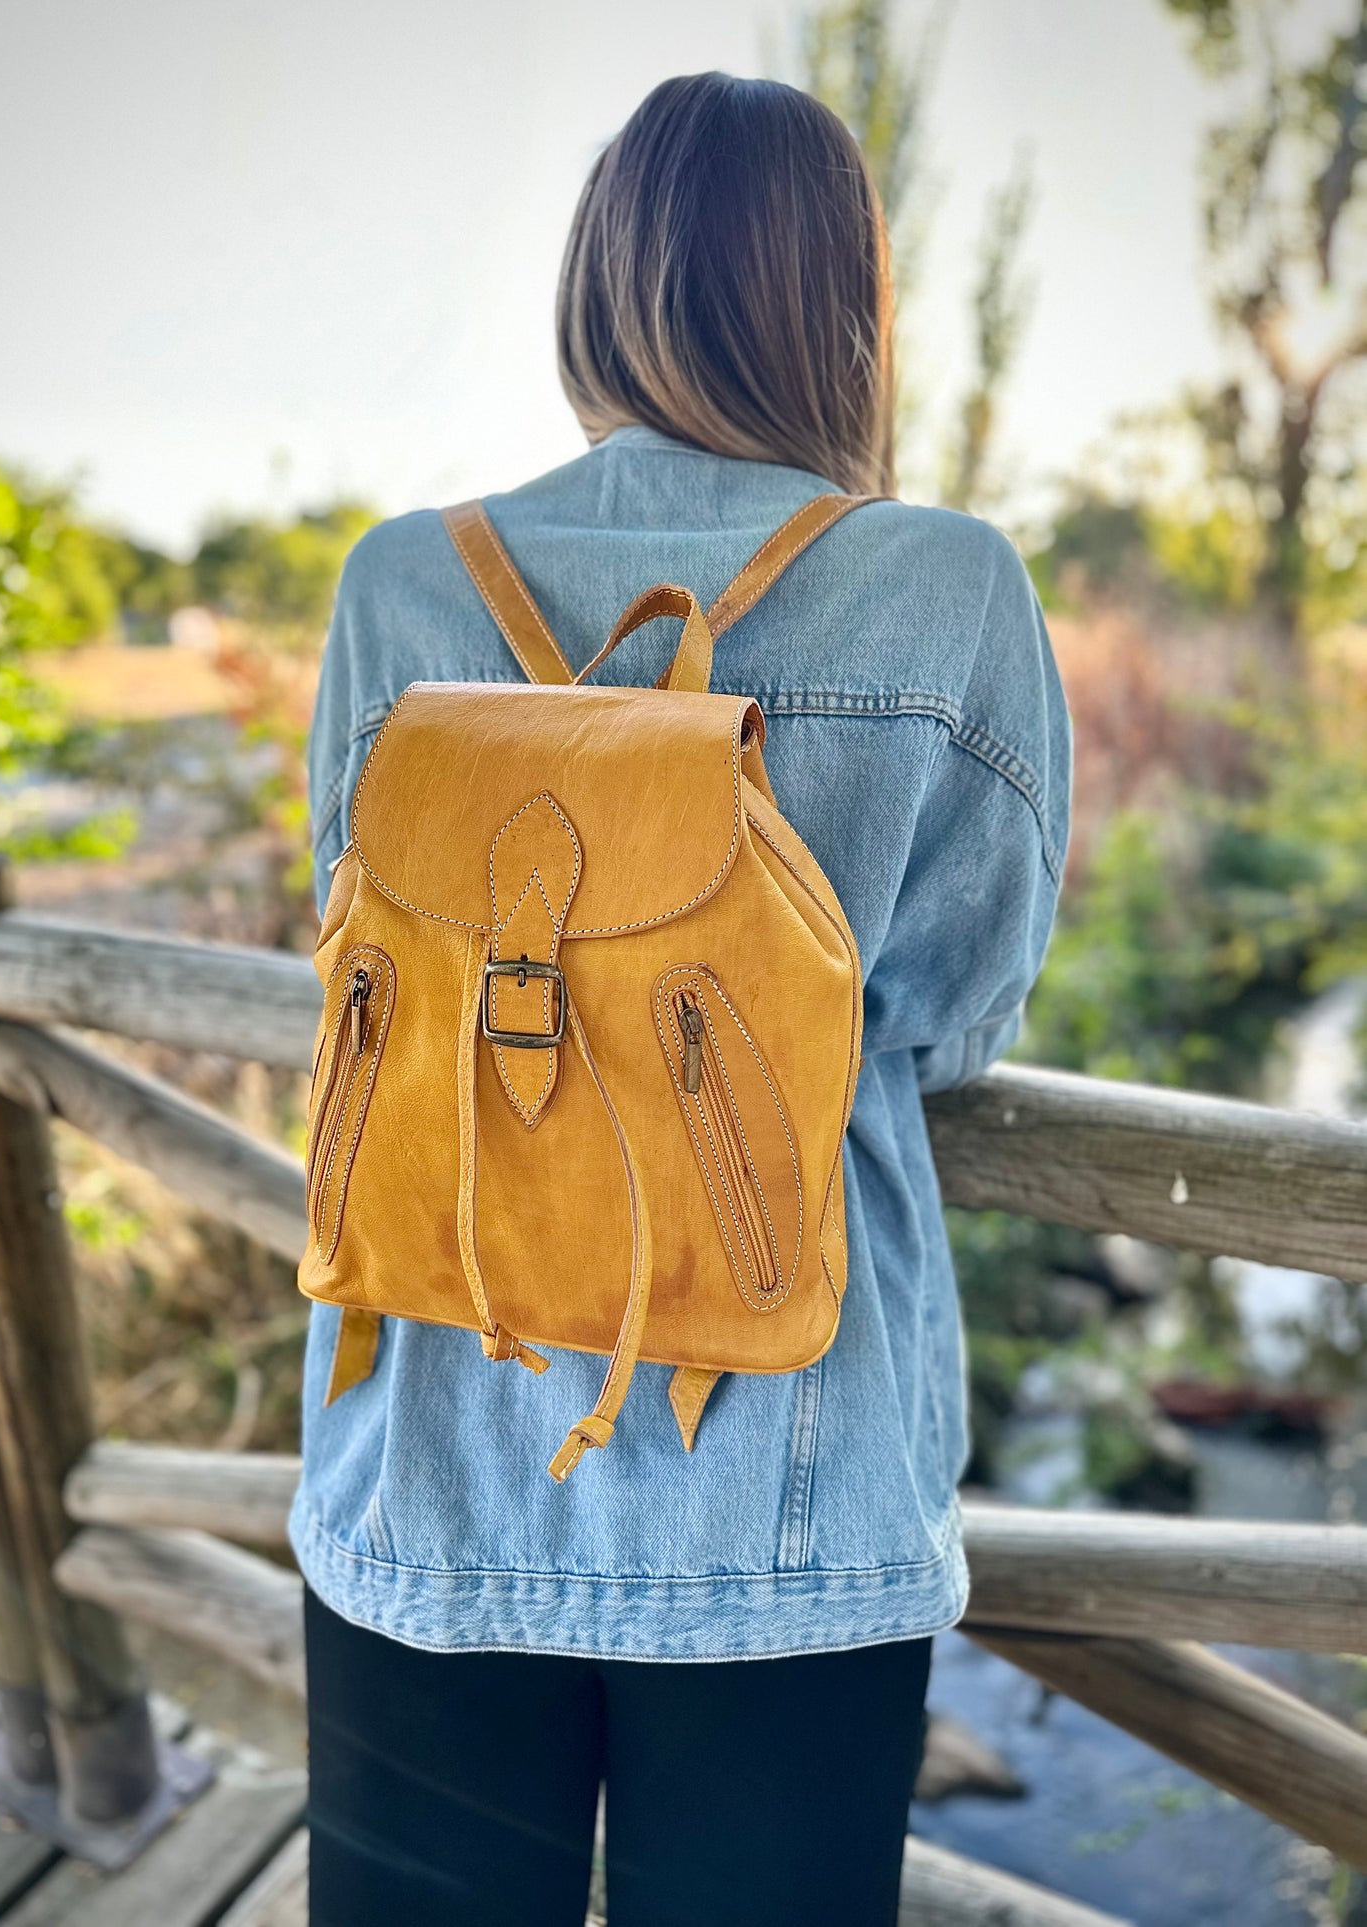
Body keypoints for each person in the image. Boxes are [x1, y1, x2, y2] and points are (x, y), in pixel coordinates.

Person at [294, 70, 1069, 1927]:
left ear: (597, 287)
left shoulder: (400, 581)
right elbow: (956, 1013)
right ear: (844, 307)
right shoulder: (947, 588)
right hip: (785, 1485)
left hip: (437, 1441)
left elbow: (351, 951)